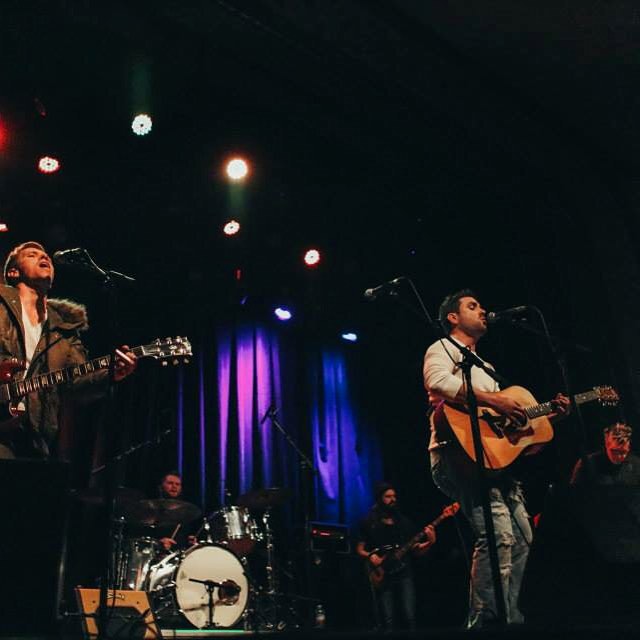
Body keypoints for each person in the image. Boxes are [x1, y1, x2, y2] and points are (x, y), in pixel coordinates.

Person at [423, 289, 570, 628]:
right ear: (453, 318)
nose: (483, 310)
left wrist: (549, 417)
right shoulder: (442, 348)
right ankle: (484, 621)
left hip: (492, 461)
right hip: (455, 455)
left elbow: (503, 427)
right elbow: (438, 382)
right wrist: (496, 402)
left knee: (522, 540)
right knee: (497, 536)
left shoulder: (485, 368)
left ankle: (513, 618)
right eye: (473, 306)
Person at [0, 241, 137, 459]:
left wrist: (112, 374)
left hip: (35, 435)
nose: (44, 257)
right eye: (32, 255)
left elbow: (75, 383)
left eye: (46, 256)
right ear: (14, 272)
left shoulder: (65, 330)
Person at [356, 482, 436, 631]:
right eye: (388, 496)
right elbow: (359, 549)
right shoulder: (368, 522)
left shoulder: (404, 523)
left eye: (394, 496)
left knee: (409, 615)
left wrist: (430, 542)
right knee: (388, 618)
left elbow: (415, 549)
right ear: (380, 499)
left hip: (404, 572)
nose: (392, 500)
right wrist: (370, 556)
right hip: (382, 572)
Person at [571, 422, 640, 486]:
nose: (619, 457)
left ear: (629, 447)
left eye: (623, 452)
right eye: (614, 451)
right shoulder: (587, 463)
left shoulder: (636, 464)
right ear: (606, 444)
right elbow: (574, 495)